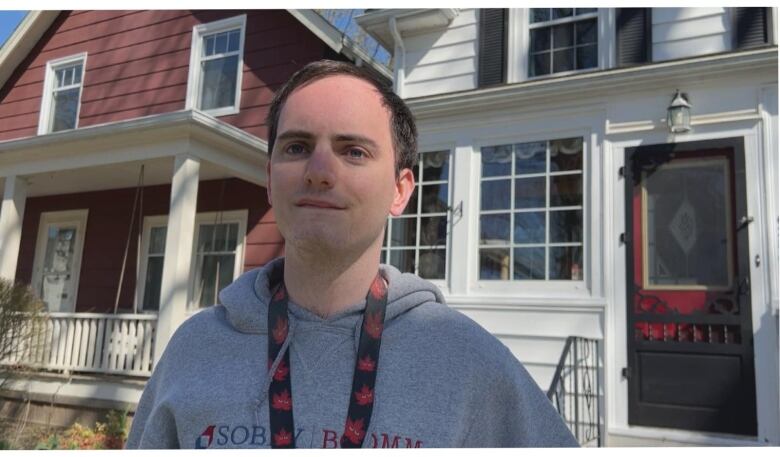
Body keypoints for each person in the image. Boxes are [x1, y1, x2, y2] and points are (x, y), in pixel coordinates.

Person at [126, 60, 578, 449]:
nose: (320, 172)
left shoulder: (469, 363)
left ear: (400, 191)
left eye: (354, 151)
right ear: (269, 178)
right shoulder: (193, 350)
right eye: (297, 147)